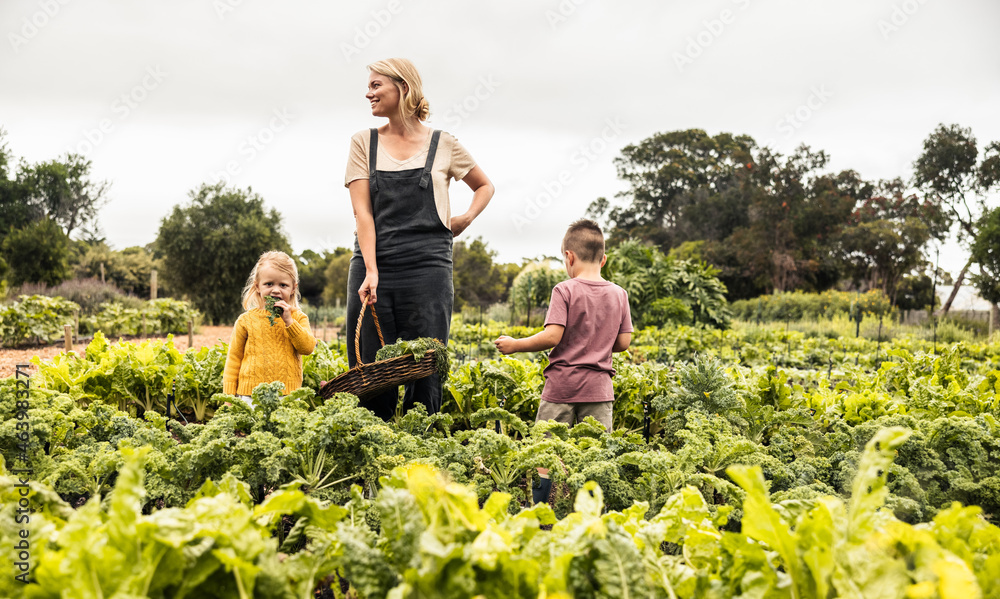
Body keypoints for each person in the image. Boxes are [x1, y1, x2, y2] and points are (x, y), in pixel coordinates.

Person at [345, 58, 495, 421]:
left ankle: (420, 458)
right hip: (371, 266)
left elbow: (484, 186)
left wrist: (465, 218)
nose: (369, 93)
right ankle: (372, 458)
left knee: (426, 370)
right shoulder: (363, 142)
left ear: (404, 88)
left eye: (377, 85)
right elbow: (363, 214)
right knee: (372, 372)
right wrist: (372, 270)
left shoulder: (444, 144)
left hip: (428, 270)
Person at [494, 219, 632, 504]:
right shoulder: (619, 294)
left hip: (562, 388)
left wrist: (515, 345)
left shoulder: (565, 290)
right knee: (594, 456)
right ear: (603, 259)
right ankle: (590, 514)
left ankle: (542, 510)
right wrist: (600, 341)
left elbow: (552, 336)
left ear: (569, 257)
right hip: (599, 390)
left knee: (546, 453)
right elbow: (623, 343)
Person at [223, 251, 317, 403]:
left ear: (293, 288)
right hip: (250, 396)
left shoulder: (298, 318)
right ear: (257, 286)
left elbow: (307, 348)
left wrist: (289, 322)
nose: (275, 290)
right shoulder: (245, 320)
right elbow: (233, 360)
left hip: (288, 396)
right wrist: (228, 398)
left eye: (283, 285)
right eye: (269, 284)